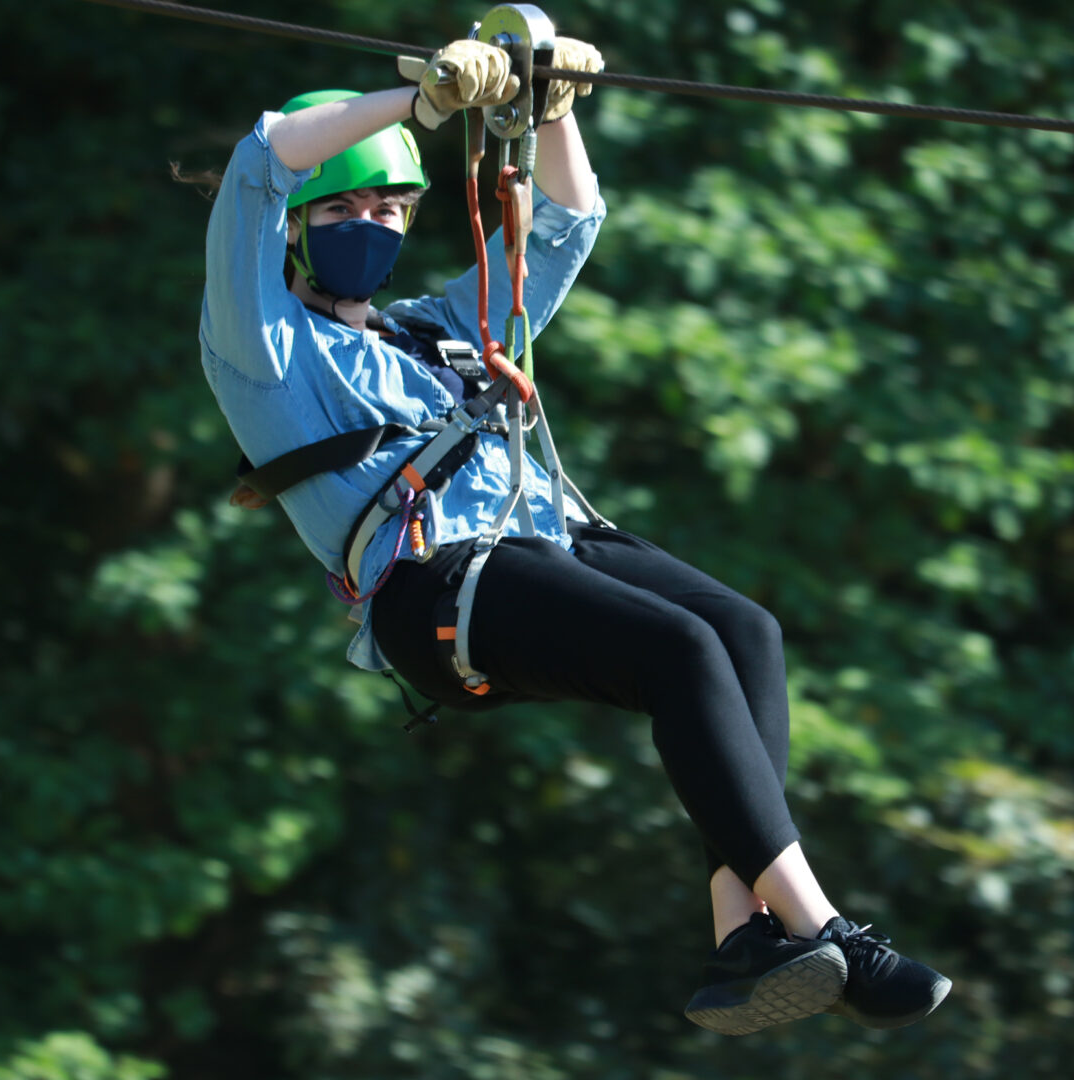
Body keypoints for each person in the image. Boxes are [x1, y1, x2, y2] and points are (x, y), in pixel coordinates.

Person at [193, 34, 951, 1035]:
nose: (367, 226)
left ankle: (743, 933)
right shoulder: (263, 344)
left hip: (548, 541)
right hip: (435, 583)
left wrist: (552, 100)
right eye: (340, 210)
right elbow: (264, 159)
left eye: (387, 208)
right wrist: (421, 97)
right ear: (293, 228)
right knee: (676, 650)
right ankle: (831, 934)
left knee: (746, 633)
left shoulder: (432, 328)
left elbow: (565, 224)